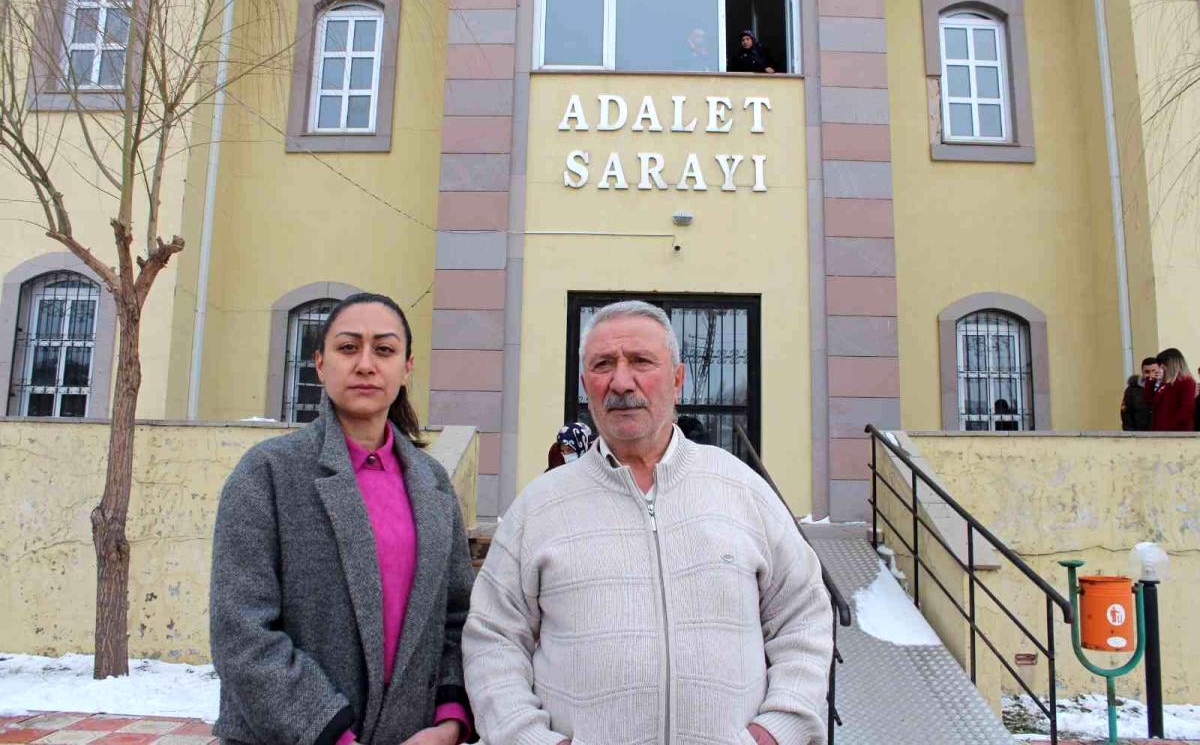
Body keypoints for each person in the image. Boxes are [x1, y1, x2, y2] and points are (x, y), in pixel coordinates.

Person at [464, 300, 832, 745]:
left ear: (677, 379)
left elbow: (803, 616)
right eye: (603, 365)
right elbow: (493, 639)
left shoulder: (743, 491)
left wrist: (775, 731)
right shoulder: (539, 507)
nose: (621, 382)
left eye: (641, 361)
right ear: (586, 384)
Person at [210, 293, 476, 745]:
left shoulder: (432, 485)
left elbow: (456, 617)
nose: (366, 364)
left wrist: (450, 724)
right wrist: (329, 734)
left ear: (407, 367)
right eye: (348, 348)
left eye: (384, 350)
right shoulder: (268, 473)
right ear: (319, 363)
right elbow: (241, 630)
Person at [1150, 347, 1197, 431]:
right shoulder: (1166, 383)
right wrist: (1150, 381)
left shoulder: (1186, 381)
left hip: (1177, 432)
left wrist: (1169, 426)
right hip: (1161, 432)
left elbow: (1187, 409)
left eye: (1163, 363)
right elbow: (1149, 401)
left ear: (1172, 363)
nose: (1161, 367)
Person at [1121, 357, 1158, 431]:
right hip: (1139, 435)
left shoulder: (1165, 387)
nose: (1151, 375)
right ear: (1142, 372)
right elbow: (1126, 414)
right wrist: (1130, 434)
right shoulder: (1132, 390)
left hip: (1162, 435)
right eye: (1147, 372)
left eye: (1154, 371)